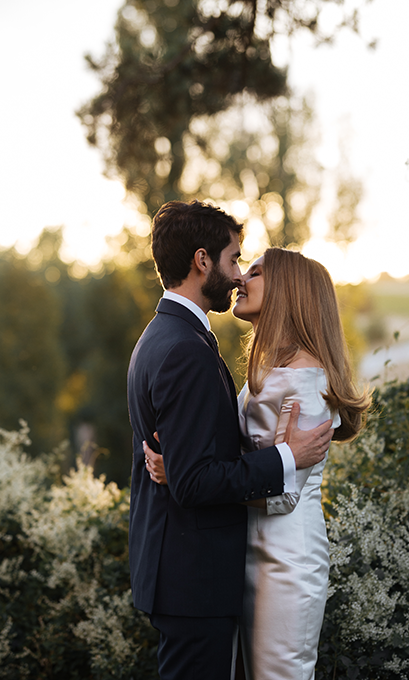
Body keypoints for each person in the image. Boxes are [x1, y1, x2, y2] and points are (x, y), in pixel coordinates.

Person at [127, 200, 334, 680]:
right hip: (196, 577)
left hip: (260, 562)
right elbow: (200, 477)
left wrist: (179, 467)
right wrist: (286, 456)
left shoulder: (163, 337)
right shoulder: (185, 348)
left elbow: (204, 462)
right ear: (203, 261)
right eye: (236, 259)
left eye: (248, 267)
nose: (239, 276)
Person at [148, 247, 371, 680]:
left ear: (289, 290)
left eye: (255, 271)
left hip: (285, 561)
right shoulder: (271, 372)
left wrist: (183, 475)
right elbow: (238, 459)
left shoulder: (305, 382)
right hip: (246, 552)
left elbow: (283, 494)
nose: (239, 279)